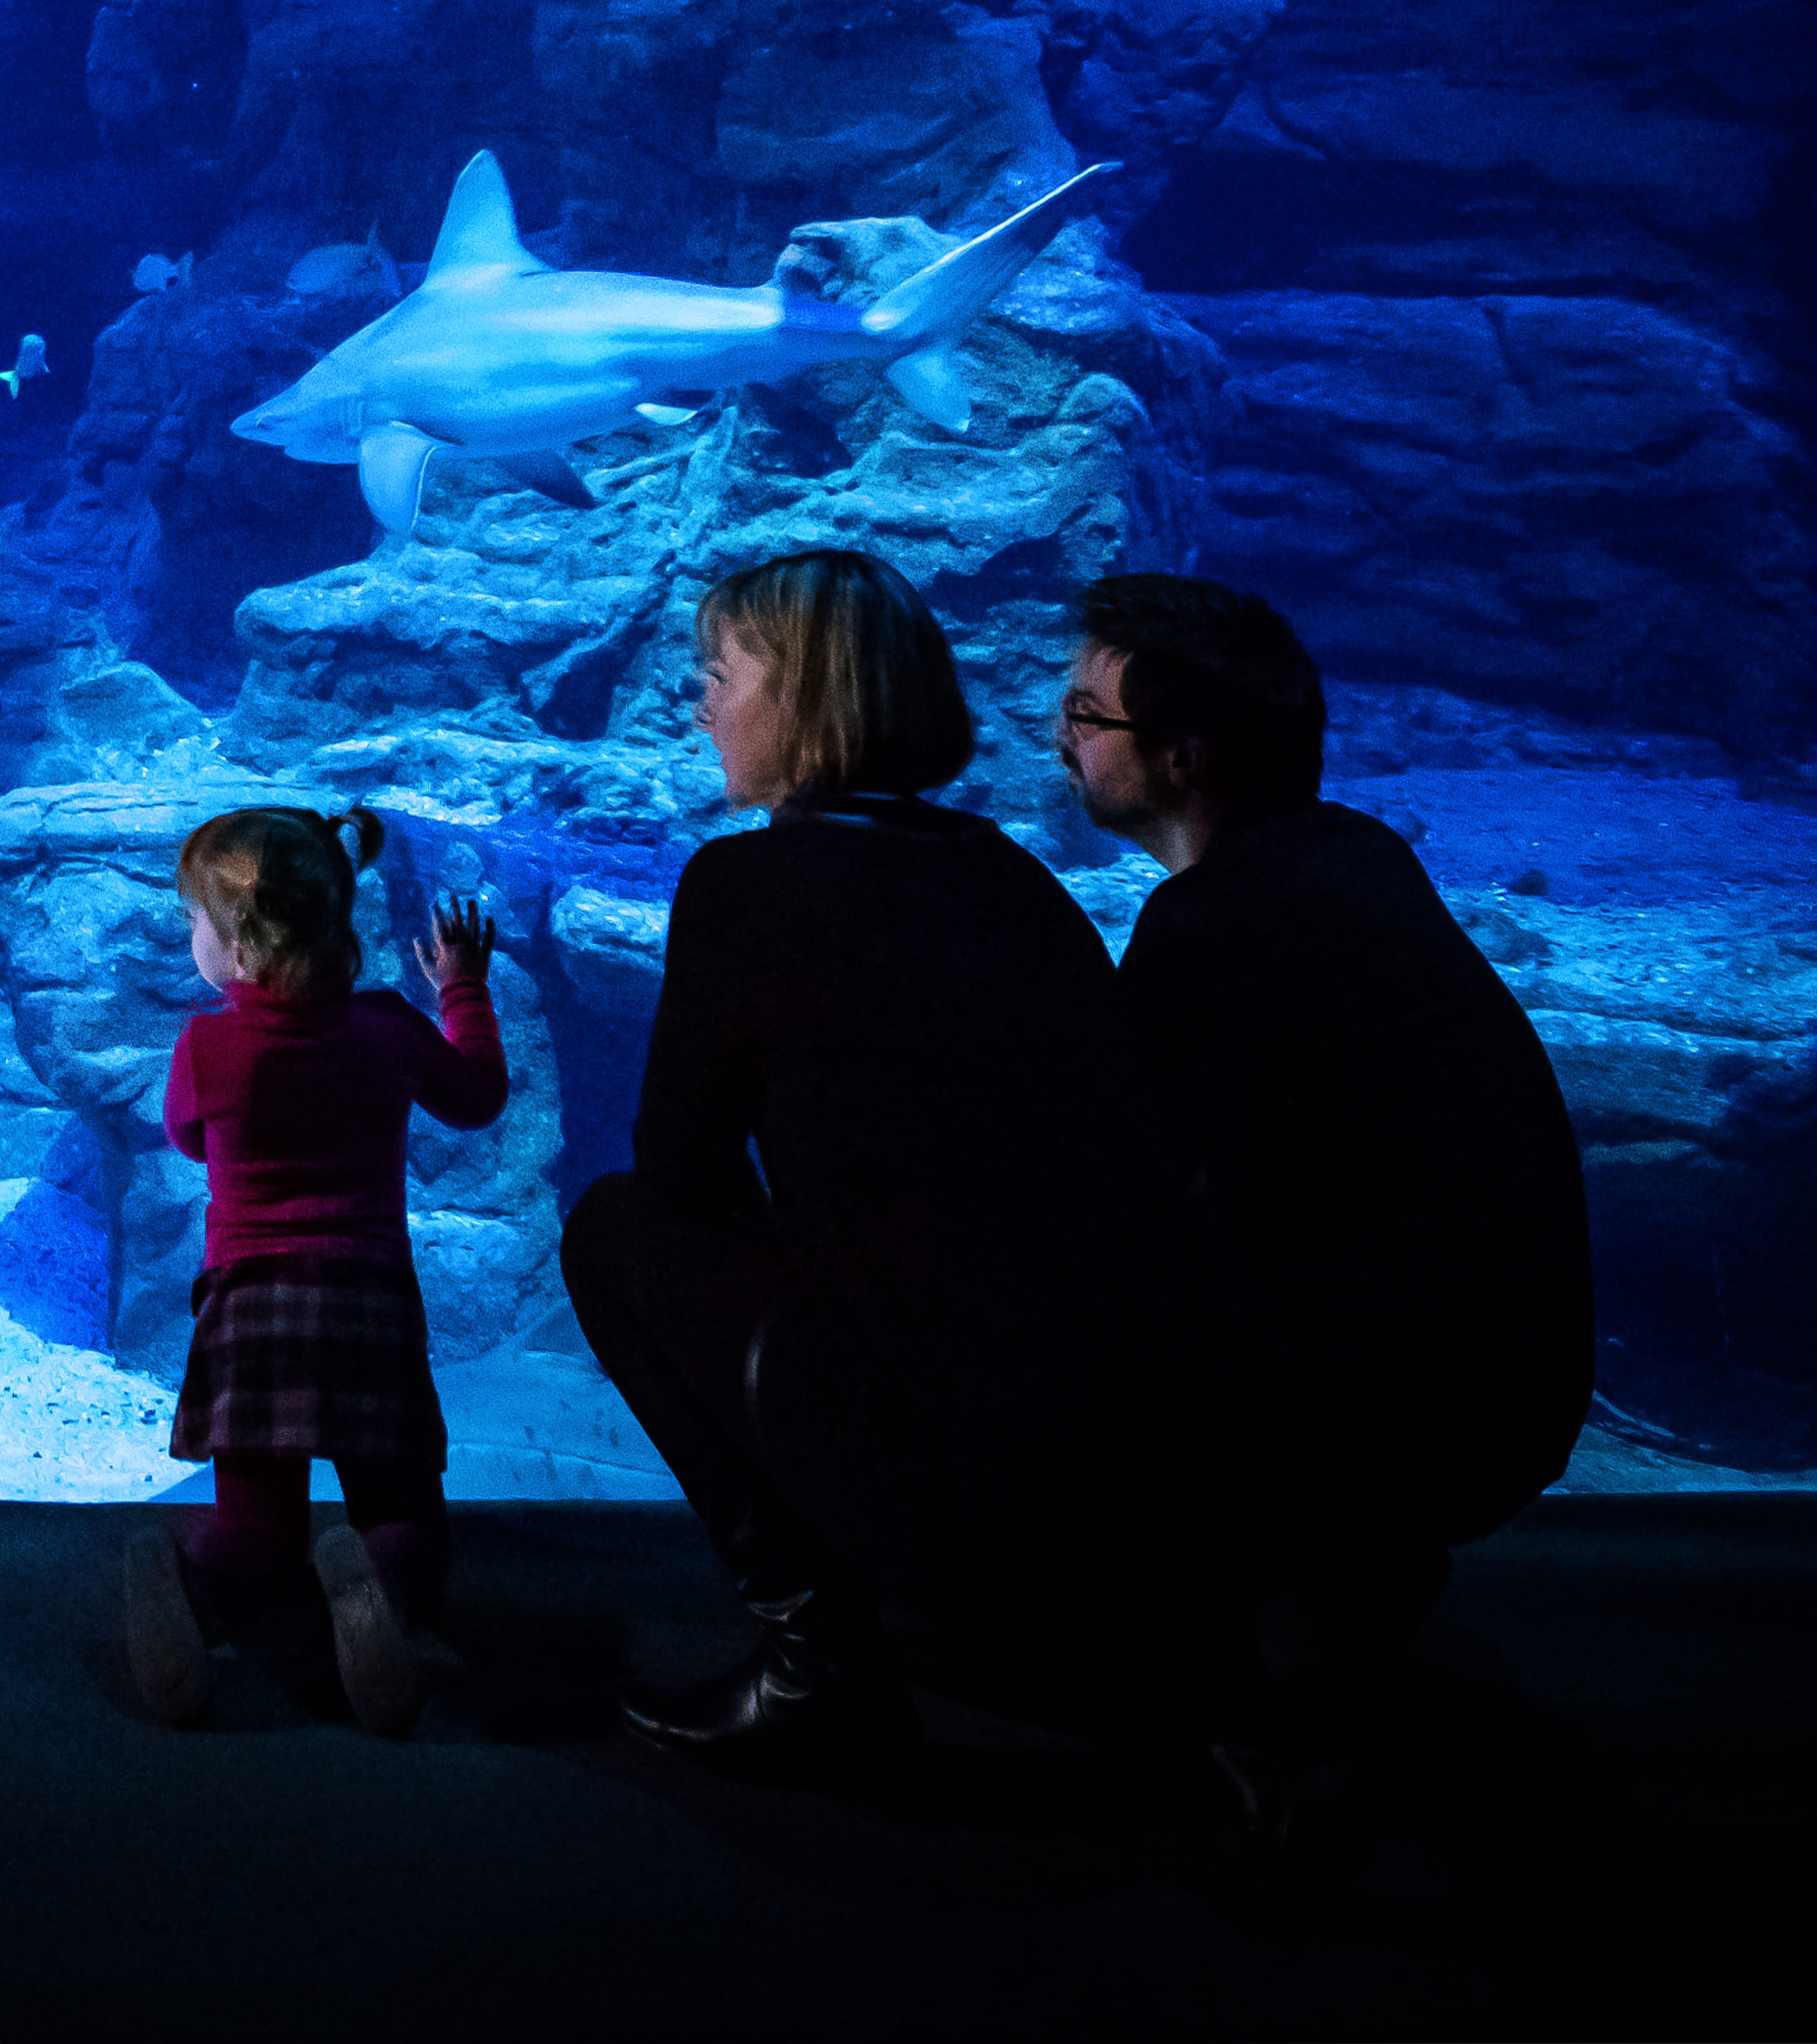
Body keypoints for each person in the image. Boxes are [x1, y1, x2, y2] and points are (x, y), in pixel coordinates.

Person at [558, 548, 1165, 1770]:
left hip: (924, 1437)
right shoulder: (1012, 877)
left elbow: (679, 1170)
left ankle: (815, 1655)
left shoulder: (744, 880)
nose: (698, 705)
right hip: (1108, 1444)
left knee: (615, 1229)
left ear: (800, 693)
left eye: (718, 674)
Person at [1062, 573, 1591, 1867]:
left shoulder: (1213, 923)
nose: (1057, 736)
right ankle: (1334, 1608)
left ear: (1180, 756)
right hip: (1518, 1384)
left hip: (1393, 1410)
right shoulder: (1353, 857)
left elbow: (1143, 1201)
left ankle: (1277, 1711)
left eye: (1084, 714)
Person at [121, 804, 507, 1734]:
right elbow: (479, 1096)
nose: (190, 934)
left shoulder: (208, 1047)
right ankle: (381, 1590)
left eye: (195, 919)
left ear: (242, 945)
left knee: (254, 1533)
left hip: (253, 1310)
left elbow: (186, 1136)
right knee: (402, 1510)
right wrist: (462, 989)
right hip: (367, 1304)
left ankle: (187, 1587)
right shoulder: (388, 1028)